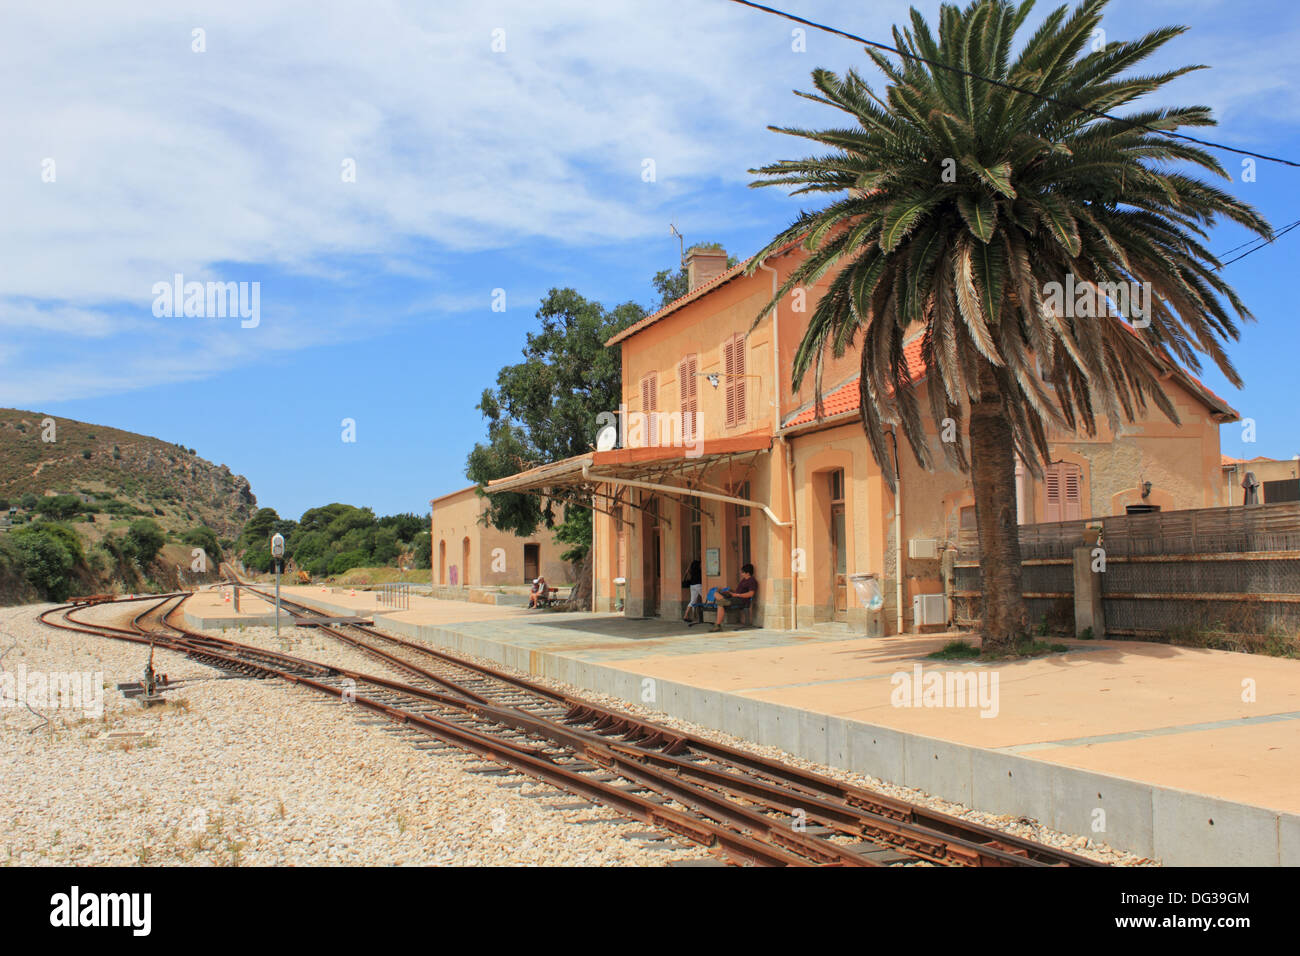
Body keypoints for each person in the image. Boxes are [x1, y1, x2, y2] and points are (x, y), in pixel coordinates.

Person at [713, 563, 757, 632]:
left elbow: (751, 594)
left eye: (743, 572)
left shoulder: (752, 581)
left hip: (741, 600)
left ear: (748, 573)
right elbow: (738, 591)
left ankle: (717, 626)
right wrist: (731, 592)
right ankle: (724, 601)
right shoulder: (744, 580)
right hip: (735, 597)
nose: (741, 574)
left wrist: (737, 595)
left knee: (720, 603)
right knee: (716, 593)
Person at [681, 559, 703, 625]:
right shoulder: (699, 570)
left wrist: (690, 564)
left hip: (692, 585)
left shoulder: (691, 571)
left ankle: (686, 615)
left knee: (692, 601)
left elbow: (686, 571)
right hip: (698, 585)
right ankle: (703, 615)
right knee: (706, 597)